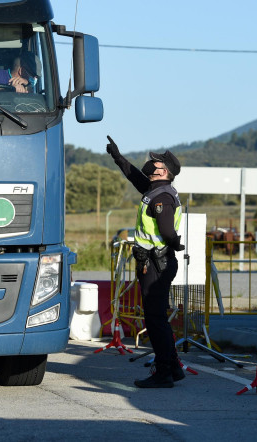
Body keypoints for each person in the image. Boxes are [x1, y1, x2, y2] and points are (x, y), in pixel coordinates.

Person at [106, 135, 185, 388]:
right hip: (154, 262)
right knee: (157, 318)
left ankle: (163, 373)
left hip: (156, 263)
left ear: (165, 171)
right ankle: (173, 367)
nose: (150, 164)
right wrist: (118, 158)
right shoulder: (155, 191)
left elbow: (166, 229)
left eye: (156, 162)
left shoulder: (162, 196)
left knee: (154, 319)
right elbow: (134, 176)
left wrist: (174, 242)